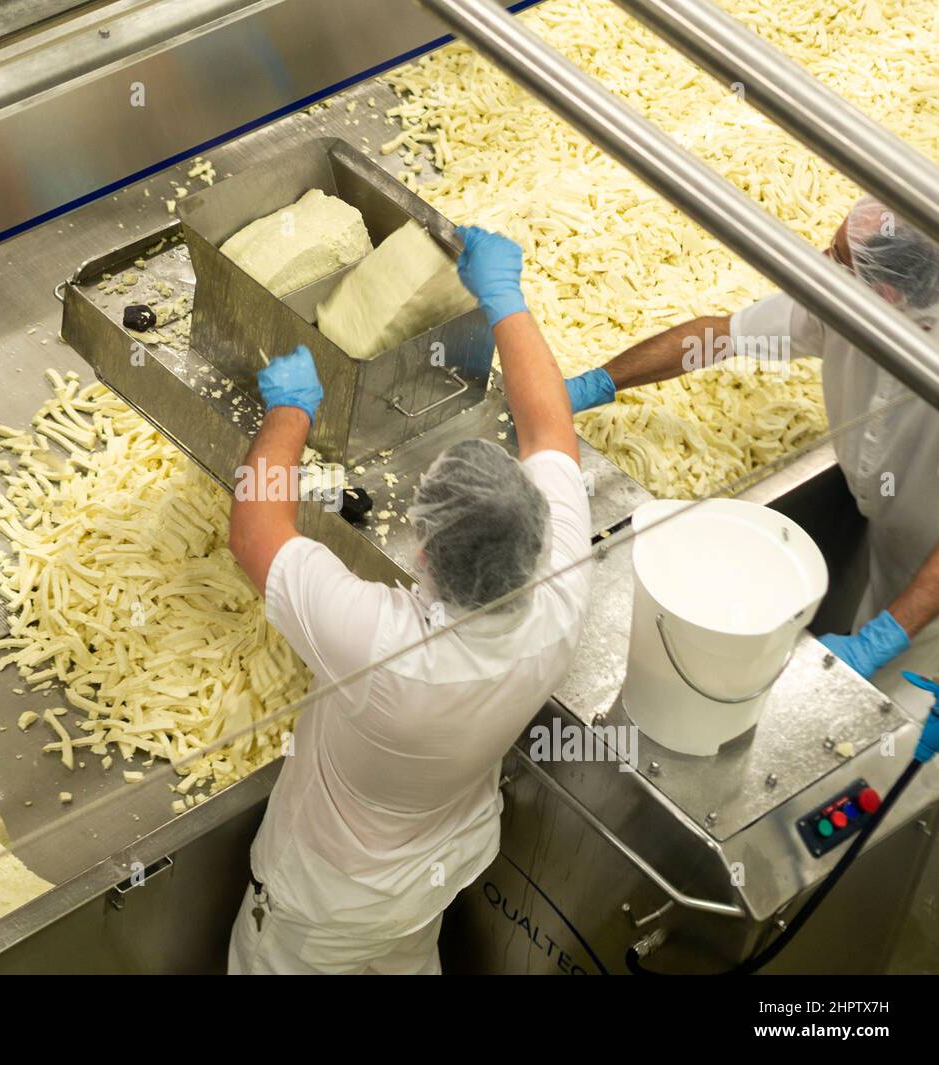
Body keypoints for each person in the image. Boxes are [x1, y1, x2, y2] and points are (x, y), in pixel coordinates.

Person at [224, 225, 593, 975]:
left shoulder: (384, 649)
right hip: (427, 886)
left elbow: (255, 529)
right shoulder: (561, 593)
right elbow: (551, 426)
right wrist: (503, 298)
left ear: (422, 553)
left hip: (318, 914)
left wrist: (291, 409)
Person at [565, 196, 938, 718]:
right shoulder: (850, 307)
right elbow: (722, 336)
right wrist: (598, 384)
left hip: (930, 597)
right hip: (891, 546)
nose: (819, 263)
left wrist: (885, 637)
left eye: (834, 257)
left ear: (885, 294)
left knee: (892, 739)